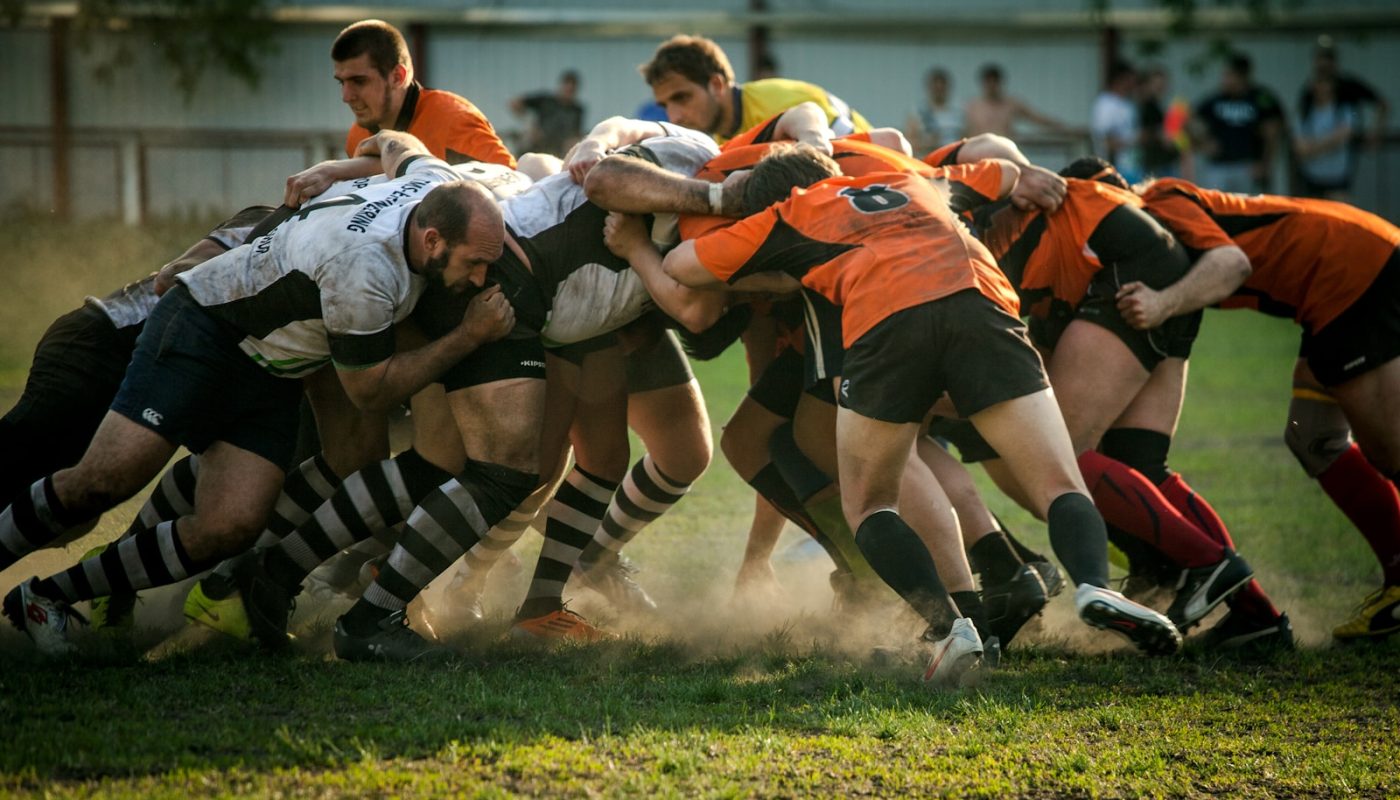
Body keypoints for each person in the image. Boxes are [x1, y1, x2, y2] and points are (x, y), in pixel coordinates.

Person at [654, 145, 1182, 686]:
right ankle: (1095, 585)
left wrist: (779, 275)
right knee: (1059, 481)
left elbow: (682, 268)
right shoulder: (911, 179)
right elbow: (1002, 174)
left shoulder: (789, 212)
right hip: (980, 307)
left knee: (869, 503)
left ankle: (948, 628)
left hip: (886, 324)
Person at [2, 132, 515, 655]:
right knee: (106, 479)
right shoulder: (364, 269)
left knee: (231, 525)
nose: (480, 278)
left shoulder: (433, 179)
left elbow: (396, 140)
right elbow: (369, 392)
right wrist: (467, 337)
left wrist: (333, 168)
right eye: (473, 263)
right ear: (432, 241)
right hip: (207, 327)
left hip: (270, 369)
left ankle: (46, 595)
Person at [1111, 173, 1400, 642]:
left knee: (1390, 452)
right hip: (1333, 283)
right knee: (1311, 437)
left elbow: (1232, 263)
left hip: (1350, 272)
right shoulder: (1151, 213)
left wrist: (1162, 303)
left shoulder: (1157, 201)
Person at [335, 19, 515, 168]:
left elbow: (512, 187)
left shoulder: (453, 122)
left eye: (359, 81)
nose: (346, 96)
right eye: (342, 82)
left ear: (398, 77)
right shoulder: (357, 137)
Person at [640, 34, 870, 146]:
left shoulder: (786, 103)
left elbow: (852, 158)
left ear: (717, 85)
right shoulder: (722, 142)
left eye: (682, 98)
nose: (674, 116)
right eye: (665, 106)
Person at [1190, 53, 1283, 193]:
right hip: (1218, 167)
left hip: (1248, 167)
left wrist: (1265, 164)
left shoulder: (1261, 98)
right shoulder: (1215, 99)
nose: (1224, 80)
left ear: (1241, 77)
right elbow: (1187, 118)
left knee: (1248, 211)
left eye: (1228, 75)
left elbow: (1272, 133)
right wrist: (1202, 144)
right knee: (1215, 210)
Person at [964, 63, 1077, 139]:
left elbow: (1037, 118)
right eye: (989, 82)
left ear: (1000, 83)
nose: (992, 86)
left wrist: (1065, 128)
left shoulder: (1011, 104)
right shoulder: (973, 106)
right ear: (983, 83)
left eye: (995, 82)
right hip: (980, 155)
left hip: (1006, 153)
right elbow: (964, 133)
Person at [1295, 75, 1360, 200]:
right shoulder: (1304, 111)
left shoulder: (1343, 110)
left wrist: (1312, 148)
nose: (1322, 89)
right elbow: (1300, 148)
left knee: (1338, 217)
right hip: (1311, 177)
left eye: (1326, 84)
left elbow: (1343, 136)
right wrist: (1329, 142)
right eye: (1319, 83)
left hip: (1337, 177)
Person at [510, 70, 586, 158]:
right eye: (567, 88)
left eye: (571, 90)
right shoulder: (545, 101)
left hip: (558, 153)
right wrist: (529, 125)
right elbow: (515, 103)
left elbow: (576, 134)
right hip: (536, 148)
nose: (568, 93)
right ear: (561, 86)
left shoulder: (577, 110)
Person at [1090, 59, 1141, 182]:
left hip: (1132, 166)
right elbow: (1105, 140)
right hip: (1114, 170)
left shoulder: (1128, 104)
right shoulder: (1105, 104)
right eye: (1130, 79)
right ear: (1120, 79)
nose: (1133, 83)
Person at [906, 68, 964, 154]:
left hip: (953, 159)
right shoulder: (918, 112)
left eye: (941, 88)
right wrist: (929, 143)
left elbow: (967, 137)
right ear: (929, 88)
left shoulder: (959, 112)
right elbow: (910, 143)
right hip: (928, 159)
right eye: (936, 88)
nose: (939, 91)